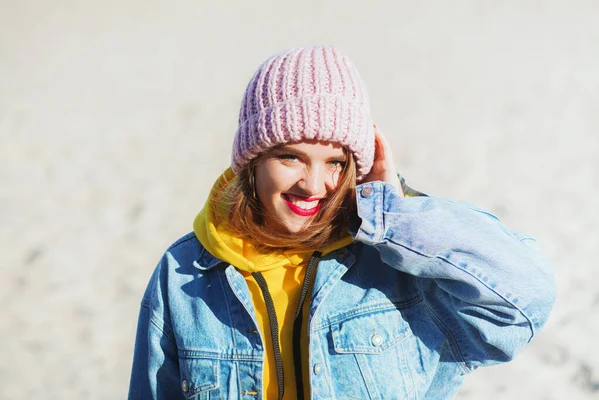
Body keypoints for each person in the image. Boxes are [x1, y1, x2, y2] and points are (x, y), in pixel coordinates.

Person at [128, 46, 555, 400]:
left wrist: (394, 214)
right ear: (252, 161)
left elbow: (526, 298)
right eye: (290, 156)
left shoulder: (398, 269)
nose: (313, 186)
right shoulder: (184, 274)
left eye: (335, 162)